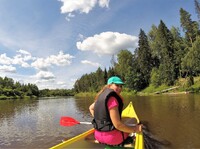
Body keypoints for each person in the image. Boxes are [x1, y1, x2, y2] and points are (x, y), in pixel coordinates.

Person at [89, 76, 142, 146]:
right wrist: (135, 129)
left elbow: (91, 108)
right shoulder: (112, 99)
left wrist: (101, 121)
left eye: (121, 86)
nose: (120, 88)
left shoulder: (100, 97)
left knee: (122, 126)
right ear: (109, 85)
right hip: (112, 139)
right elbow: (118, 125)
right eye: (117, 85)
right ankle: (127, 142)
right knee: (128, 129)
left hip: (98, 136)